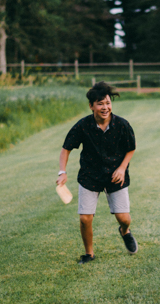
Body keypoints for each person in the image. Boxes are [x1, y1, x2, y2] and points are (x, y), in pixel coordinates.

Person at [57, 82, 138, 264]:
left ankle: (125, 231)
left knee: (123, 218)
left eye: (108, 103)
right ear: (91, 106)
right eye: (100, 103)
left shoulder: (122, 125)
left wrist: (122, 168)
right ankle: (89, 254)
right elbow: (66, 149)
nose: (105, 107)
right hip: (90, 175)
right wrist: (62, 172)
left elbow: (131, 148)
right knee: (85, 219)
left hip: (115, 175)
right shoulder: (83, 126)